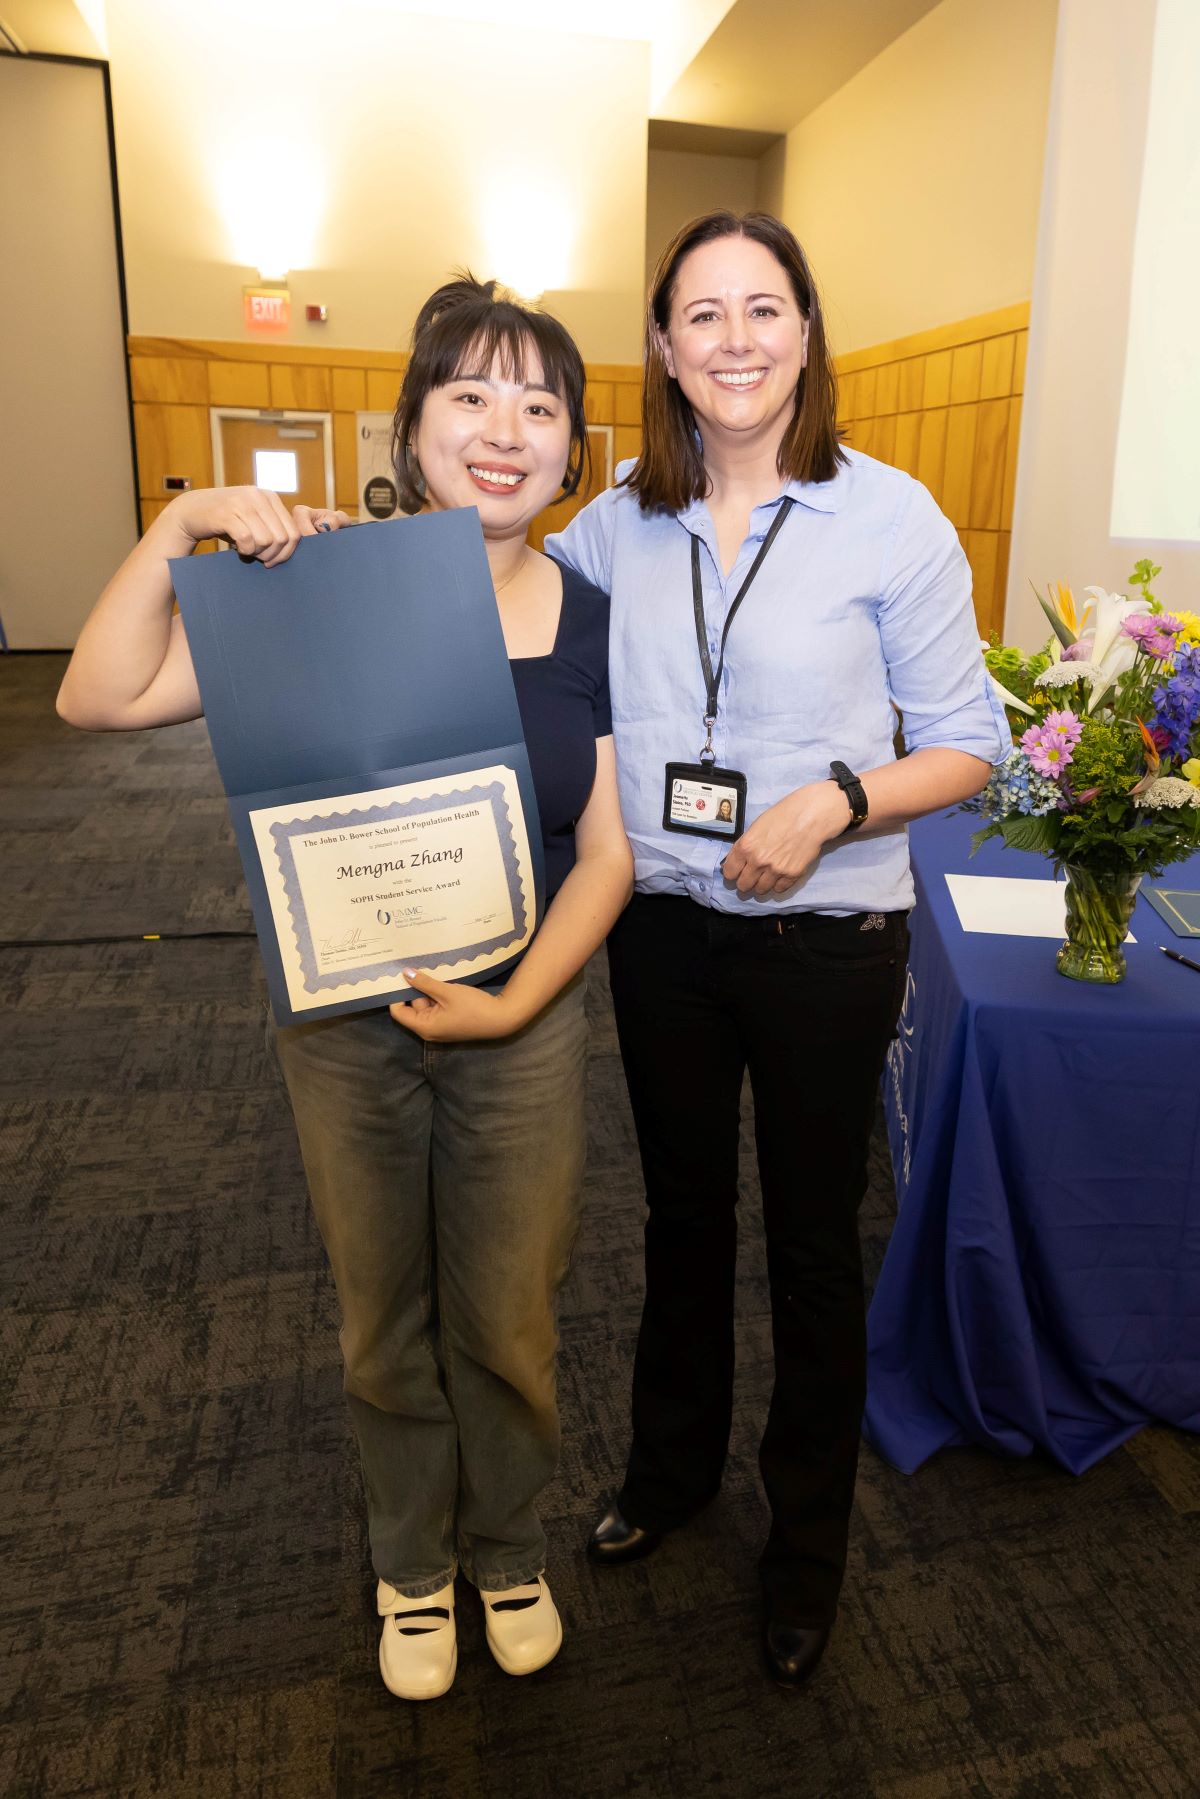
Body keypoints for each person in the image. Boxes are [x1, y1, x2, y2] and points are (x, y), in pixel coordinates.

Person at [56, 277, 633, 1702]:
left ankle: (506, 1544)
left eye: (541, 406)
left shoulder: (596, 618)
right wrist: (183, 524)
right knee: (382, 1313)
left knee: (509, 1312)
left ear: (573, 450)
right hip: (344, 1022)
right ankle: (410, 1566)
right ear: (414, 422)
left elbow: (610, 854)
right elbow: (98, 696)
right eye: (472, 397)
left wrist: (513, 1007)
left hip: (523, 1017)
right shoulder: (316, 580)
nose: (507, 431)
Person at [545, 212, 1009, 1689]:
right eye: (702, 315)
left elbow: (971, 747)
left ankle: (806, 1544)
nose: (735, 340)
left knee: (814, 1250)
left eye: (764, 309)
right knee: (680, 1224)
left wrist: (836, 801)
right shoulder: (610, 525)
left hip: (828, 940)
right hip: (666, 930)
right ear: (665, 351)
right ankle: (669, 1478)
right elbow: (495, 613)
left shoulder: (894, 517)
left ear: (806, 333)